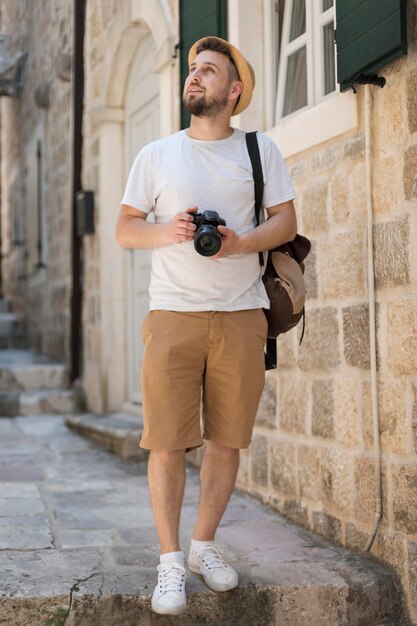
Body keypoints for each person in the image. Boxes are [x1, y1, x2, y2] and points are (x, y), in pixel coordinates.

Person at [116, 36, 296, 616]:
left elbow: (287, 223)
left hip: (242, 315)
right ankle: (170, 562)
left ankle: (203, 546)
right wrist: (168, 231)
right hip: (172, 315)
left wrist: (241, 242)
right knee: (166, 442)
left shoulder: (259, 151)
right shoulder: (157, 154)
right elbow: (125, 228)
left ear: (234, 90)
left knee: (226, 439)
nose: (195, 77)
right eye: (193, 69)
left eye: (209, 71)